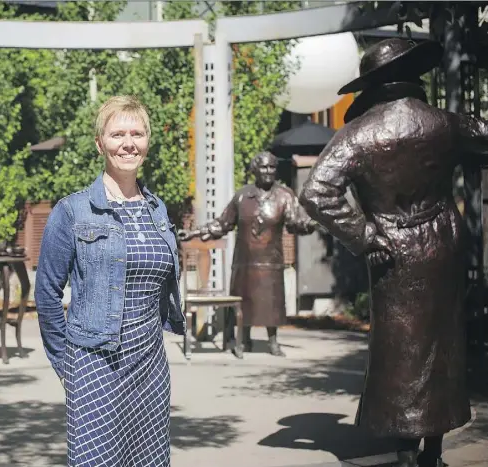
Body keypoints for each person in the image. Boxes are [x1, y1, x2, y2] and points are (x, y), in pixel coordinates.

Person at [299, 38, 488, 467]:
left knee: (401, 349)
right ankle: (433, 452)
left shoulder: (360, 133)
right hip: (444, 245)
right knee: (442, 346)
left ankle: (405, 453)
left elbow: (317, 192)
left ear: (374, 82)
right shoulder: (446, 123)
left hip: (393, 253)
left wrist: (364, 235)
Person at [35, 95, 184, 467]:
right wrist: (65, 366)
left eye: (137, 133)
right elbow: (47, 294)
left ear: (147, 142)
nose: (128, 143)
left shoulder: (157, 210)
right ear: (100, 143)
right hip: (95, 364)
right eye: (118, 134)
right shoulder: (72, 210)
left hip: (150, 367)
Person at [178, 151, 318, 357]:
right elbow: (221, 224)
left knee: (272, 303)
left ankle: (273, 341)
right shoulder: (243, 196)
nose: (269, 171)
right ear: (255, 170)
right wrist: (193, 232)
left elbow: (296, 222)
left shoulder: (284, 195)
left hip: (271, 261)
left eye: (272, 167)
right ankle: (244, 340)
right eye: (264, 167)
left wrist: (311, 223)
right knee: (245, 302)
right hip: (244, 262)